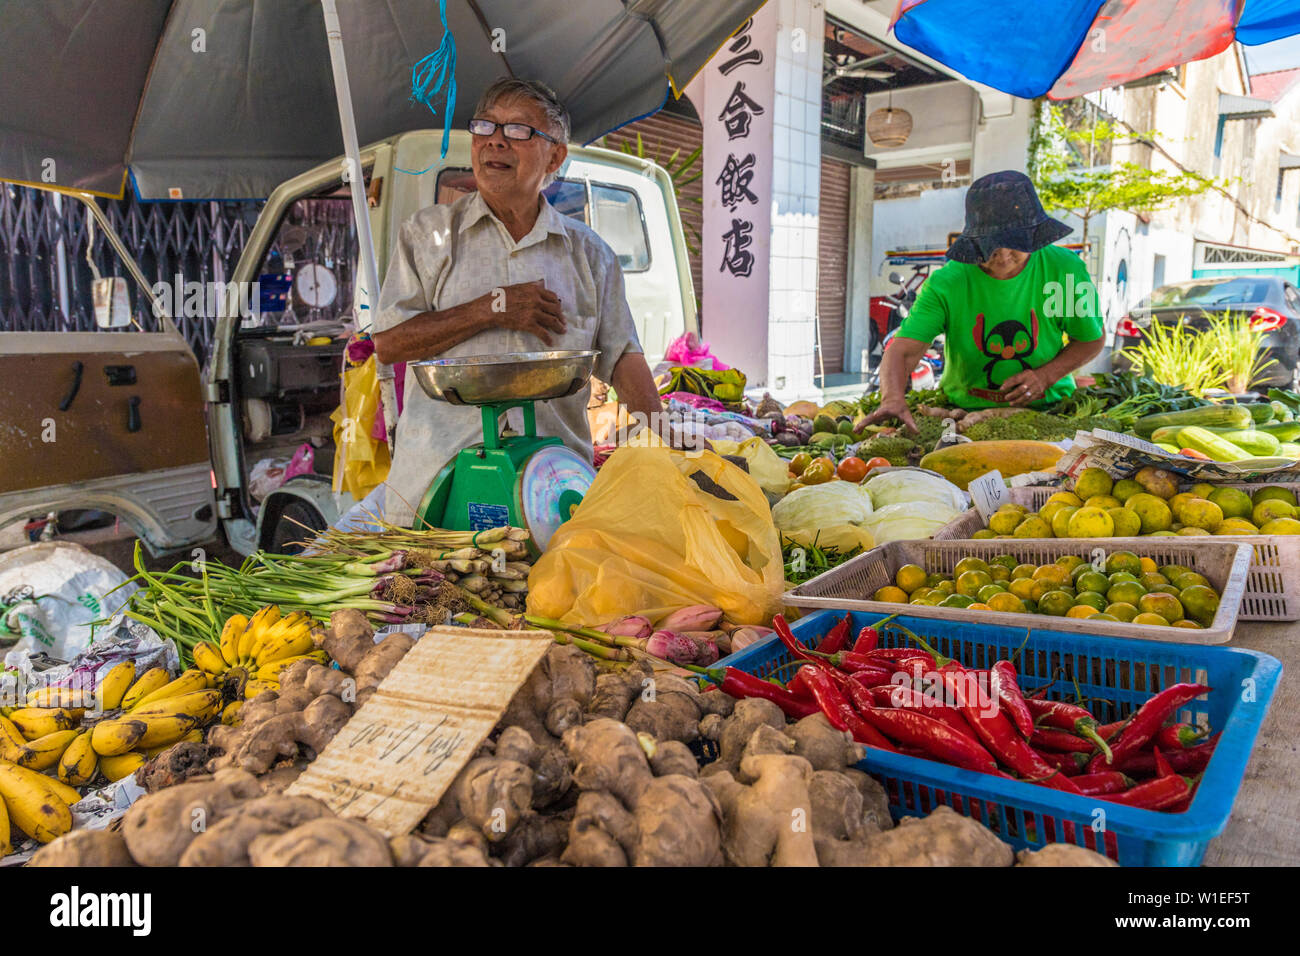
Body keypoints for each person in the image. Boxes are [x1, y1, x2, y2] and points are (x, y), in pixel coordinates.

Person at [371, 78, 666, 526]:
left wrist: (663, 441)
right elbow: (390, 344)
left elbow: (622, 355)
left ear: (555, 155)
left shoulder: (589, 254)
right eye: (485, 126)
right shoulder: (427, 235)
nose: (495, 141)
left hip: (555, 486)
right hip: (435, 487)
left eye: (518, 130)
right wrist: (491, 307)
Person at [864, 170, 1104, 434]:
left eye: (1013, 243)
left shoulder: (1065, 270)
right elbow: (903, 350)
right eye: (990, 245)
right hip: (959, 415)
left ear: (1033, 236)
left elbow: (1091, 338)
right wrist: (892, 397)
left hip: (1048, 411)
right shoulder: (947, 282)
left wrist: (1044, 377)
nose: (1001, 255)